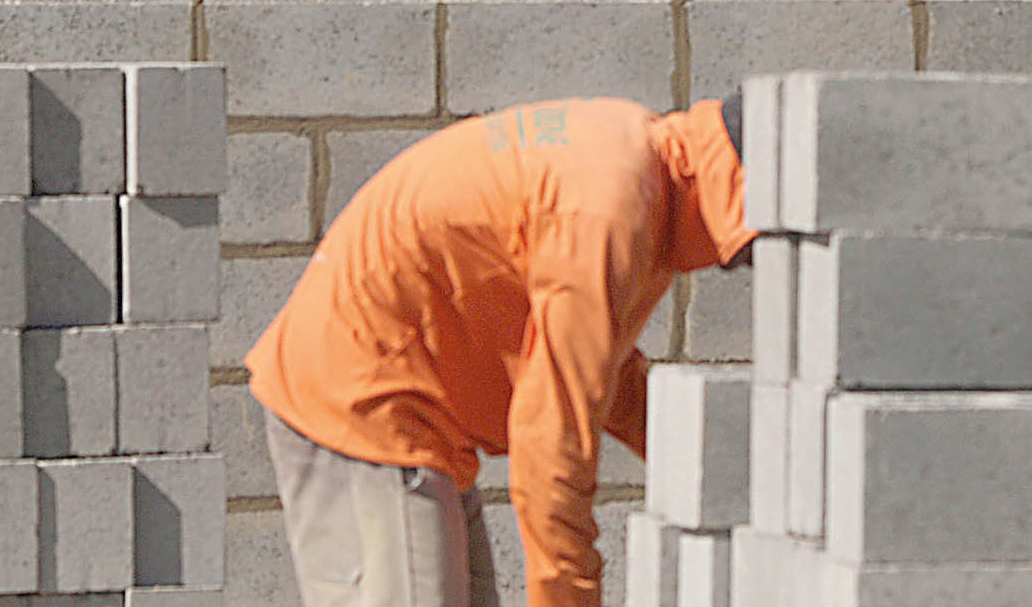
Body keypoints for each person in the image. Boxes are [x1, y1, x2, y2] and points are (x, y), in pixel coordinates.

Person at [246, 95, 753, 607]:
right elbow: (552, 441)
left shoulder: (640, 166)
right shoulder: (607, 212)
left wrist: (721, 472)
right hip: (360, 400)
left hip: (410, 405)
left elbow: (604, 372)